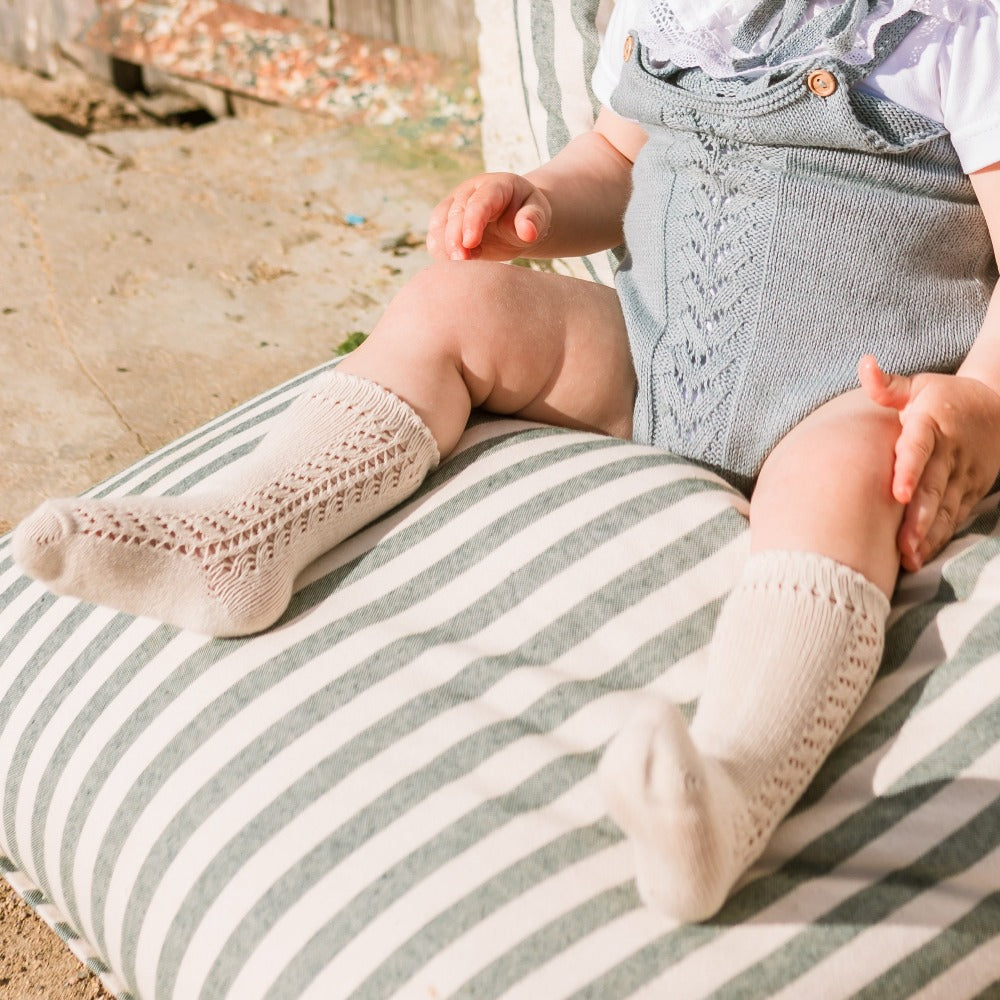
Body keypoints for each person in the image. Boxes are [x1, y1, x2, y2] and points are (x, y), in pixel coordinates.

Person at [12, 0, 1000, 922]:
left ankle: (735, 781)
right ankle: (249, 531)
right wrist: (538, 200)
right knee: (454, 302)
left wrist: (980, 402)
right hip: (653, 358)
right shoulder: (672, 14)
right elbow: (612, 161)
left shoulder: (952, 31)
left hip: (853, 393)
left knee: (848, 472)